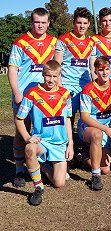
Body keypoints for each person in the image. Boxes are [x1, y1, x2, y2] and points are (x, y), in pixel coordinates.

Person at [8, 8, 57, 187]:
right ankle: (19, 170)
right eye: (37, 22)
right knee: (22, 133)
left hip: (46, 97)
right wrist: (17, 92)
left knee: (45, 131)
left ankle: (43, 164)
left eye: (44, 22)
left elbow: (57, 68)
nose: (40, 25)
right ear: (32, 22)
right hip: (24, 96)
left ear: (49, 23)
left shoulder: (54, 42)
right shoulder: (20, 42)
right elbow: (12, 69)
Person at [14, 60, 73, 206]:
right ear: (43, 74)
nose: (51, 80)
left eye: (55, 76)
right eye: (48, 76)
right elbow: (19, 119)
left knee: (59, 183)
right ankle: (38, 187)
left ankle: (44, 166)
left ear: (59, 76)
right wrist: (28, 137)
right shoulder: (32, 93)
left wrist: (70, 143)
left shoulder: (65, 94)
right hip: (42, 142)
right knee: (29, 148)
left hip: (59, 144)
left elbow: (67, 120)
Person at [78, 56, 111, 191]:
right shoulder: (88, 89)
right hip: (88, 127)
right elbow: (85, 117)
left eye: (107, 69)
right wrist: (106, 129)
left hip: (104, 130)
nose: (104, 73)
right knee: (97, 134)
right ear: (95, 71)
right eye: (100, 70)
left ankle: (83, 156)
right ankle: (95, 175)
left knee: (105, 169)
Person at [54, 7, 96, 124]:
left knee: (87, 116)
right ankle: (69, 141)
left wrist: (96, 85)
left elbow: (93, 68)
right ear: (73, 22)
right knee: (68, 117)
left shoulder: (91, 42)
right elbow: (56, 66)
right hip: (67, 85)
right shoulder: (63, 39)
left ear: (89, 24)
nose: (82, 26)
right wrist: (60, 88)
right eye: (79, 23)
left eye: (85, 23)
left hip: (85, 85)